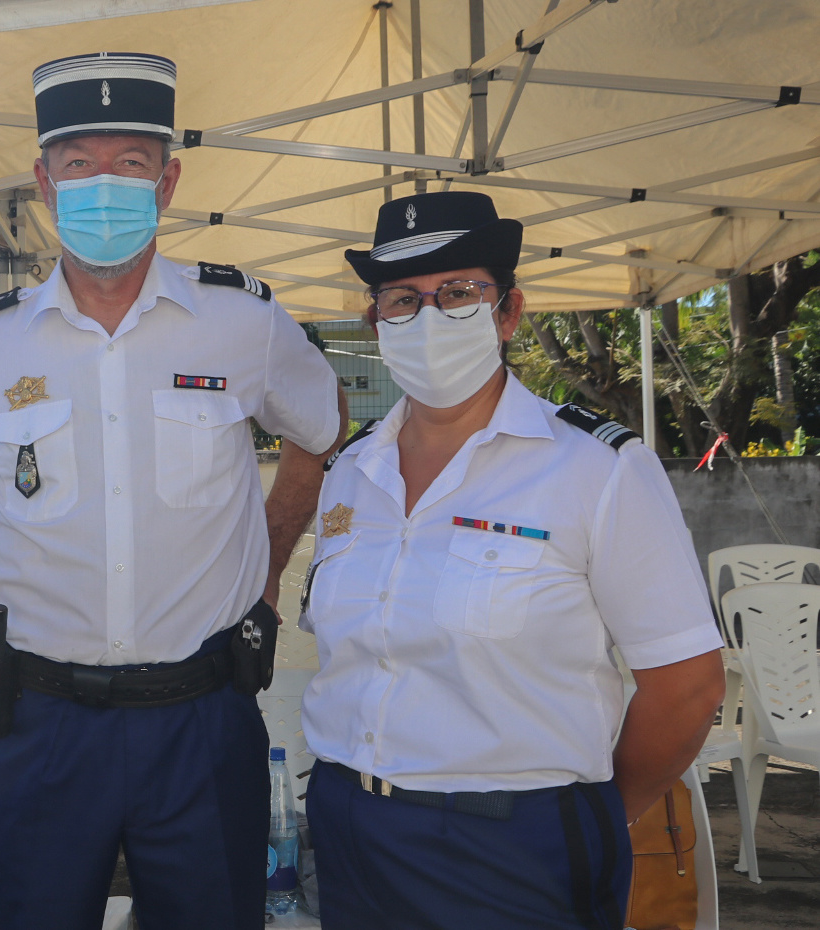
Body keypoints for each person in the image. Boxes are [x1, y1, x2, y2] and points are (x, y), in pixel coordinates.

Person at [0, 51, 348, 930]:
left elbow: (321, 433)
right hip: (36, 722)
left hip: (199, 716)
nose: (100, 185)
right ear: (41, 180)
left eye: (129, 164)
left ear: (168, 180)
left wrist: (262, 573)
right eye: (77, 165)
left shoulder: (243, 323)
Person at [300, 190, 726, 929]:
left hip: (513, 846)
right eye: (402, 299)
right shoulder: (352, 472)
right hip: (349, 829)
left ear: (507, 312)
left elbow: (686, 685)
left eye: (457, 293)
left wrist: (591, 813)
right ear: (375, 322)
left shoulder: (595, 470)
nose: (427, 317)